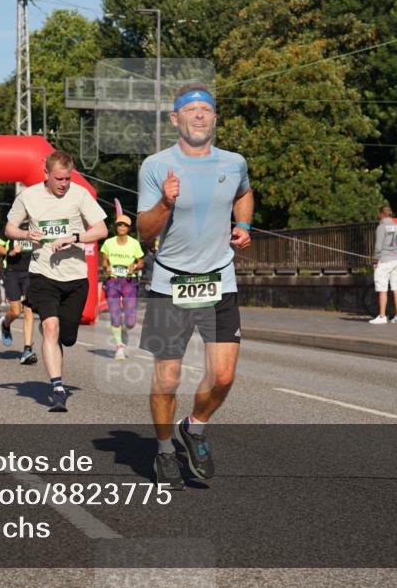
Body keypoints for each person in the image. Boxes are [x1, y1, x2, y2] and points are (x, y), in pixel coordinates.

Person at [136, 82, 253, 490]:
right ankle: (165, 450)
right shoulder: (156, 166)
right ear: (175, 118)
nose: (199, 115)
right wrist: (165, 203)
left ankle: (195, 426)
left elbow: (244, 192)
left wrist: (243, 224)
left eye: (206, 109)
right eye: (191, 109)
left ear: (215, 118)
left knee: (223, 376)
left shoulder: (234, 162)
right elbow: (144, 231)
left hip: (219, 280)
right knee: (167, 379)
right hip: (171, 284)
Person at [4, 151, 108, 412]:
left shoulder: (80, 195)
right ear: (46, 174)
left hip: (75, 276)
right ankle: (58, 388)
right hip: (42, 273)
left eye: (67, 179)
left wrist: (74, 237)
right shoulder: (28, 196)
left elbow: (101, 229)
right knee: (51, 327)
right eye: (59, 179)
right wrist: (26, 234)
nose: (64, 184)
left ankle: (53, 333)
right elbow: (9, 228)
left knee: (68, 338)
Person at [100, 214, 144, 360]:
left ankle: (124, 329)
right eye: (119, 224)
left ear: (129, 228)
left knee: (130, 321)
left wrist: (135, 266)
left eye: (125, 225)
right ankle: (119, 347)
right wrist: (106, 267)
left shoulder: (134, 243)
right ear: (116, 226)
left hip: (129, 282)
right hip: (112, 281)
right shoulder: (108, 243)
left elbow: (141, 262)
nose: (122, 227)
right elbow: (104, 261)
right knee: (115, 314)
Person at [0, 221, 38, 364]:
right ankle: (5, 324)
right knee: (16, 311)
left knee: (29, 310)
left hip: (30, 272)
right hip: (12, 271)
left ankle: (27, 349)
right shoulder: (10, 226)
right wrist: (10, 252)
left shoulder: (35, 224)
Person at [370, 204, 397, 325]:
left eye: (379, 214)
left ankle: (382, 316)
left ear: (382, 214)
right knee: (396, 288)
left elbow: (378, 246)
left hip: (384, 261)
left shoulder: (381, 227)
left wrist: (375, 260)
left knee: (382, 289)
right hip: (396, 261)